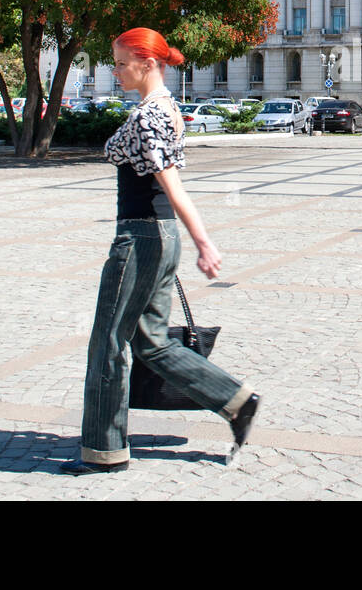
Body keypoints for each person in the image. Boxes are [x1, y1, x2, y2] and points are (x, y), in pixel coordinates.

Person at [61, 27, 259, 475]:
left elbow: (171, 185)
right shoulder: (165, 107)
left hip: (141, 236)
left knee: (108, 341)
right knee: (150, 342)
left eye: (122, 63)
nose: (116, 71)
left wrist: (205, 243)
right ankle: (235, 400)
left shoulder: (151, 114)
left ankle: (103, 450)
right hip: (158, 236)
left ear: (147, 64)